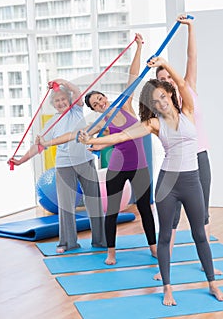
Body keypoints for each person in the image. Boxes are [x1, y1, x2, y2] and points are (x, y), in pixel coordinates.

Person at [78, 56, 223, 306]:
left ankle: (212, 284)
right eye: (155, 102)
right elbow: (120, 137)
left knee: (200, 233)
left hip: (191, 181)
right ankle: (167, 288)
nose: (161, 103)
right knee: (165, 236)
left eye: (163, 97)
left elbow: (181, 81)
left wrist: (165, 62)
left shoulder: (187, 110)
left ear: (170, 94)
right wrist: (90, 142)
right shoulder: (153, 123)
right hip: (168, 183)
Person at [37, 34, 157, 265]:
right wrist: (50, 142)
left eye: (101, 99)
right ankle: (110, 252)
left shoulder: (126, 105)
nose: (100, 103)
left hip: (140, 167)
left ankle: (153, 247)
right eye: (95, 104)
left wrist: (139, 47)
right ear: (93, 108)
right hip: (116, 170)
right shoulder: (100, 123)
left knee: (145, 209)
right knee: (111, 212)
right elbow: (74, 135)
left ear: (105, 97)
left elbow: (133, 77)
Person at [154, 14, 222, 279]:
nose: (168, 80)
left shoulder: (188, 89)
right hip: (174, 166)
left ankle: (207, 265)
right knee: (170, 219)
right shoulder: (162, 107)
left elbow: (192, 59)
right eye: (162, 78)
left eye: (169, 76)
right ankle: (165, 266)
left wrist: (191, 27)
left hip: (199, 159)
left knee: (201, 215)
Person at [8, 79, 106, 253]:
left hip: (85, 160)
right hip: (64, 165)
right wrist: (21, 160)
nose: (61, 103)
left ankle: (101, 241)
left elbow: (76, 90)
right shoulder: (52, 123)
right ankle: (68, 243)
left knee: (94, 202)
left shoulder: (76, 110)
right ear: (53, 104)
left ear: (69, 100)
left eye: (63, 99)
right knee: (65, 205)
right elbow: (40, 145)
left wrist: (60, 82)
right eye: (57, 100)